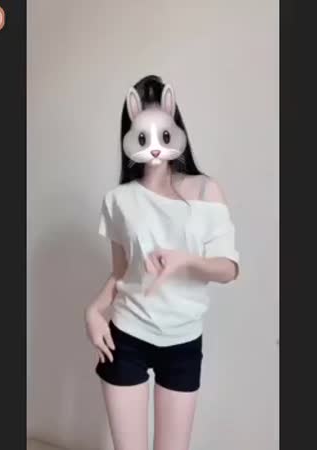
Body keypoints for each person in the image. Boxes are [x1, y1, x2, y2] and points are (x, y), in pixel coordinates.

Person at [83, 75, 240, 450]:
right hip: (127, 334)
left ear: (174, 126)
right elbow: (121, 273)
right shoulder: (118, 200)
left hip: (183, 340)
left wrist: (186, 262)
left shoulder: (206, 190)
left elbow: (229, 268)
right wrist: (93, 311)